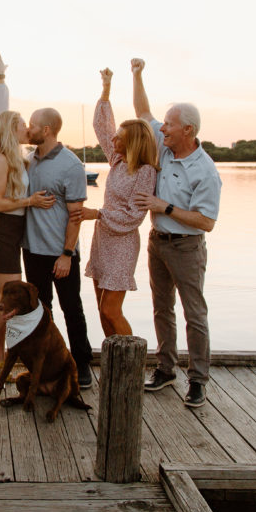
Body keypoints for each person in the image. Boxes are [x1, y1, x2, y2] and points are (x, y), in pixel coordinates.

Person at [131, 57, 222, 409]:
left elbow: (206, 222)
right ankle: (166, 369)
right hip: (158, 243)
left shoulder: (205, 171)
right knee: (161, 308)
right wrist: (137, 75)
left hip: (187, 248)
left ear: (189, 131)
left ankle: (198, 380)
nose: (162, 129)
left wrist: (163, 206)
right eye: (164, 124)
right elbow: (143, 111)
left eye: (169, 125)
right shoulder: (165, 145)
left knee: (194, 315)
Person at [0, 51, 54, 382]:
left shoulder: (17, 156)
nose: (26, 128)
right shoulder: (0, 160)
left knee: (2, 302)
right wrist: (30, 201)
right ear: (9, 128)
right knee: (8, 304)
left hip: (14, 233)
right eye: (21, 124)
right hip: (2, 232)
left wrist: (2, 80)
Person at [73, 67, 159, 337]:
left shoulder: (145, 172)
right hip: (103, 239)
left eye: (119, 138)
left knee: (112, 310)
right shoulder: (117, 160)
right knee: (101, 309)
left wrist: (97, 214)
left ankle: (133, 362)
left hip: (122, 243)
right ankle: (113, 363)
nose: (113, 139)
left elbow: (134, 216)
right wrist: (106, 89)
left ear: (132, 142)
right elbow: (102, 126)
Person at [22, 107, 94, 388]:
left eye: (32, 125)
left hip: (61, 253)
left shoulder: (71, 165)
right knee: (40, 311)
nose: (28, 130)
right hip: (32, 250)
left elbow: (76, 215)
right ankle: (44, 366)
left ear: (47, 130)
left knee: (71, 308)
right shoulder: (29, 160)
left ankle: (82, 363)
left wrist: (67, 253)